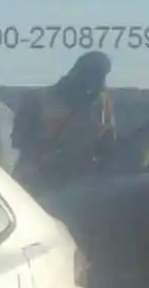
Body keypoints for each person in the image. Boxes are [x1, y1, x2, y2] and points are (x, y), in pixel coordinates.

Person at [14, 51, 116, 194]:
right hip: (39, 185)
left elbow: (109, 148)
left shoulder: (103, 104)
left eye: (102, 76)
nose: (99, 83)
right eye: (93, 74)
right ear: (78, 72)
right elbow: (21, 145)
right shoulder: (38, 101)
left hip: (86, 188)